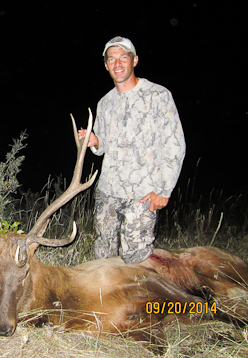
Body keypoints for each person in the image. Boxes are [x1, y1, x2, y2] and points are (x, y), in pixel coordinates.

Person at [78, 37, 185, 264]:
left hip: (143, 194)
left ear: (134, 60)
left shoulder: (158, 95)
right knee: (102, 255)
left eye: (123, 58)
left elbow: (174, 145)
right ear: (106, 65)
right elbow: (102, 147)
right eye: (111, 59)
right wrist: (94, 141)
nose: (117, 64)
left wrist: (164, 190)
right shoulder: (104, 103)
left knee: (135, 259)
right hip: (108, 192)